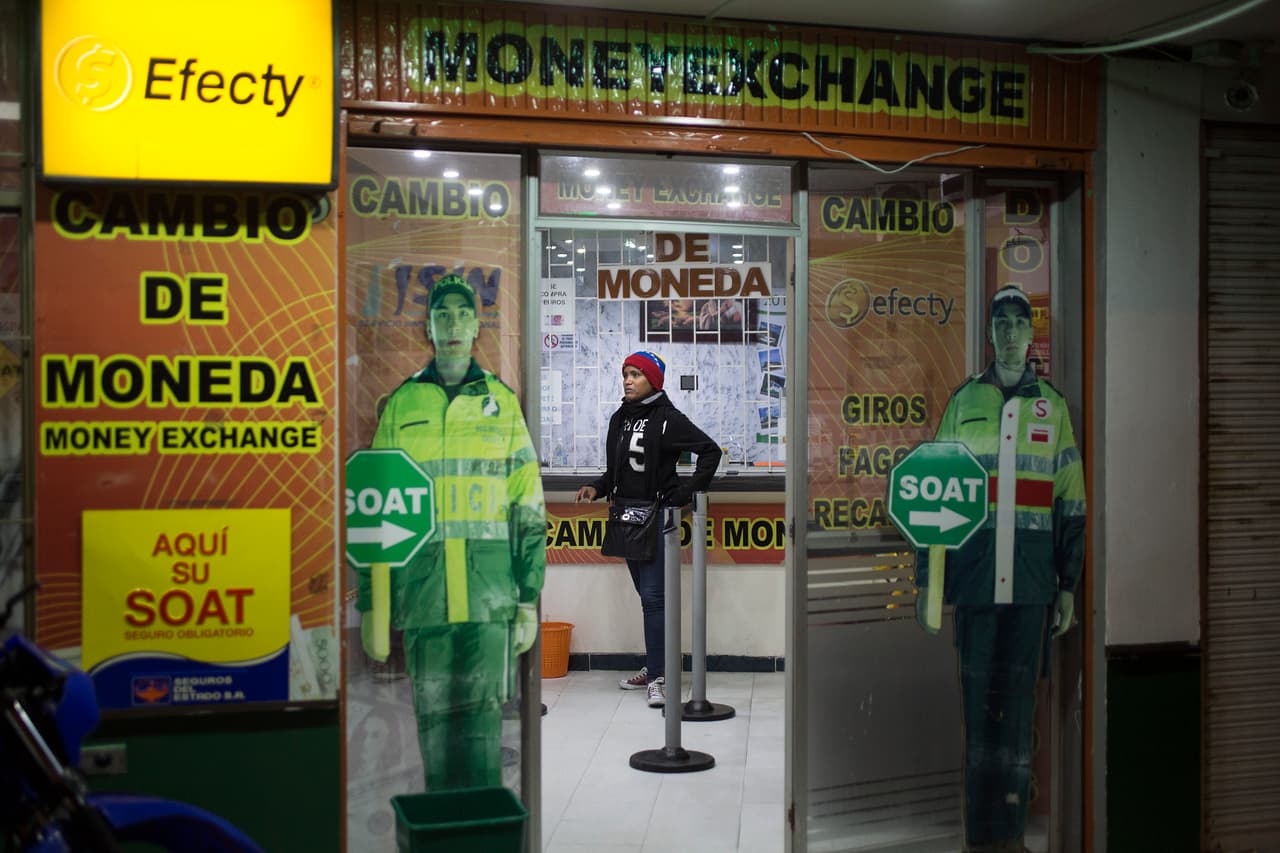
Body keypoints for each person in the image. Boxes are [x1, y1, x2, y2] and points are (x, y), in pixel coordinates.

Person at [356, 274, 545, 791]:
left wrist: (528, 596)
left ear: (479, 324)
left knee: (485, 721)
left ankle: (481, 824)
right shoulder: (403, 404)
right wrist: (374, 602)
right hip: (425, 592)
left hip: (489, 593)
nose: (454, 324)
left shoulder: (501, 404)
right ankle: (443, 824)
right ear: (428, 326)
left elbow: (527, 503)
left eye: (464, 314)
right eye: (443, 315)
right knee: (433, 719)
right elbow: (375, 506)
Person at [914, 285, 1086, 853]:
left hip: (1033, 587)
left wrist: (1068, 586)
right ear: (989, 333)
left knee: (1017, 718)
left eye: (1020, 322)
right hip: (978, 580)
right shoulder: (964, 403)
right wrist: (928, 585)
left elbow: (1072, 502)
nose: (1010, 332)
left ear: (1031, 333)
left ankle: (1009, 839)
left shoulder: (1052, 409)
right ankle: (979, 839)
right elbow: (929, 500)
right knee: (976, 714)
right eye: (1001, 322)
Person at [575, 351, 721, 708]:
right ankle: (657, 667)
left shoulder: (668, 418)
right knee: (649, 599)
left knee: (655, 600)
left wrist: (684, 494)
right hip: (626, 518)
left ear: (653, 381)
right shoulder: (619, 419)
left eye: (636, 374)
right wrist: (598, 486)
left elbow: (709, 451)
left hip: (658, 519)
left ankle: (659, 676)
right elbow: (618, 471)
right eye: (625, 373)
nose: (627, 380)